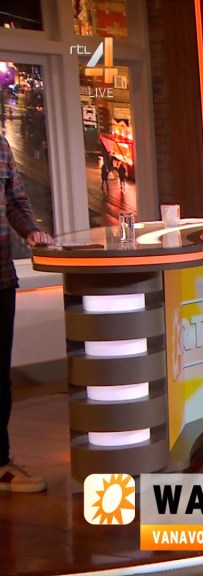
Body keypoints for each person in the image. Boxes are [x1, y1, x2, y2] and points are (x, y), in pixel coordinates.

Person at [1, 133, 53, 492]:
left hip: (1, 277)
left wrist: (32, 231)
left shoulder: (1, 146)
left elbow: (15, 201)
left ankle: (1, 464)